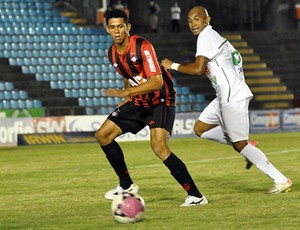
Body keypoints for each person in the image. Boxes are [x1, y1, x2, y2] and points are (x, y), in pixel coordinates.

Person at [161, 6, 292, 195]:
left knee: (240, 144)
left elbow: (198, 69)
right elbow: (232, 62)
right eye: (189, 20)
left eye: (197, 19)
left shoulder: (206, 36)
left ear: (207, 19)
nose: (193, 24)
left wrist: (171, 65)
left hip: (232, 97)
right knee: (200, 129)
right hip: (225, 95)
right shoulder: (219, 39)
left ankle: (280, 179)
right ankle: (247, 146)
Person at [95, 9, 208, 207]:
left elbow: (156, 82)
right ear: (107, 30)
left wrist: (126, 94)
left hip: (161, 100)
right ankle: (127, 185)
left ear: (128, 27)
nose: (117, 31)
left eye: (120, 26)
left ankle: (196, 196)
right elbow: (127, 73)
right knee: (103, 135)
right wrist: (127, 93)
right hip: (139, 101)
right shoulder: (111, 52)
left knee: (159, 147)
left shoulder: (142, 46)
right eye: (112, 27)